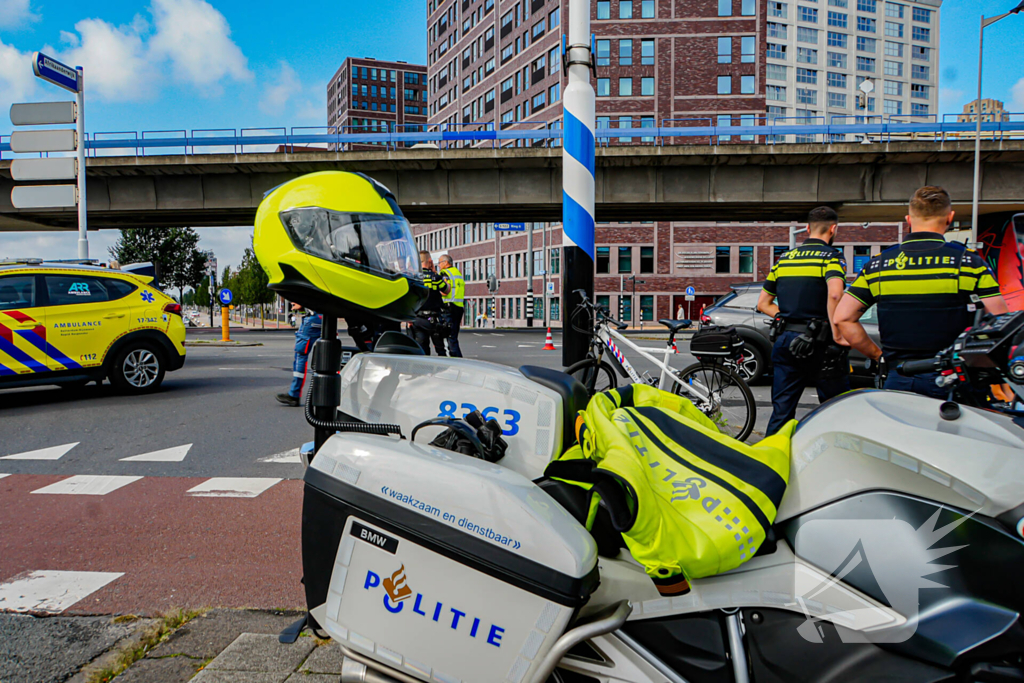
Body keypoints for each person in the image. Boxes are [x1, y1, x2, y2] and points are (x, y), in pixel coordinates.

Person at [835, 185, 1008, 399]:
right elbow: (1000, 321)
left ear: (908, 219)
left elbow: (843, 318)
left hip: (899, 375)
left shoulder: (878, 265)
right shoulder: (968, 262)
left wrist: (879, 355)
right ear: (950, 217)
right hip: (953, 378)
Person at [757, 207, 850, 435]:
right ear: (833, 229)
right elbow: (836, 294)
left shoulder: (784, 259)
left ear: (807, 229)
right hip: (821, 343)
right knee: (834, 409)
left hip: (786, 340)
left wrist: (785, 318)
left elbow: (763, 303)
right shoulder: (832, 257)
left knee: (782, 411)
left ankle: (771, 461)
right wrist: (836, 332)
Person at [276, 303, 323, 407]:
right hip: (325, 318)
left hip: (312, 318)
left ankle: (294, 394)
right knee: (328, 353)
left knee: (300, 355)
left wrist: (299, 303)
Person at [412, 251, 450, 355]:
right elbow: (446, 290)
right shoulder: (436, 278)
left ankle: (424, 369)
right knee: (440, 349)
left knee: (422, 348)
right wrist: (435, 273)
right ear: (430, 261)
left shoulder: (414, 278)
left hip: (418, 319)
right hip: (434, 320)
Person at [437, 253, 465, 357]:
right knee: (453, 336)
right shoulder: (457, 272)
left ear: (445, 262)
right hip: (458, 307)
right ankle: (458, 359)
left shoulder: (445, 273)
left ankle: (454, 360)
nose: (439, 265)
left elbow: (445, 291)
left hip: (448, 308)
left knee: (447, 337)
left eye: (439, 263)